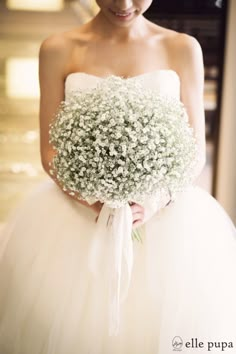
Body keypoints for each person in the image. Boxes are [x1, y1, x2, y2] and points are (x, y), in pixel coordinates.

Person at [0, 1, 236, 353]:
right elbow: (50, 154)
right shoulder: (57, 48)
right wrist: (94, 199)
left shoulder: (183, 48)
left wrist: (152, 204)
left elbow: (195, 151)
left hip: (165, 219)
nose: (124, 5)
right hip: (77, 215)